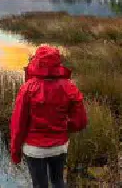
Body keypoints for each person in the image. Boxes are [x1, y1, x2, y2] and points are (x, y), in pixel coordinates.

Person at [10, 46, 87, 188]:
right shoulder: (69, 87)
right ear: (58, 63)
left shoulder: (27, 88)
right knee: (58, 180)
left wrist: (15, 151)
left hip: (34, 149)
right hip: (59, 146)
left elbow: (18, 125)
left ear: (37, 62)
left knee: (40, 185)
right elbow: (80, 122)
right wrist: (63, 126)